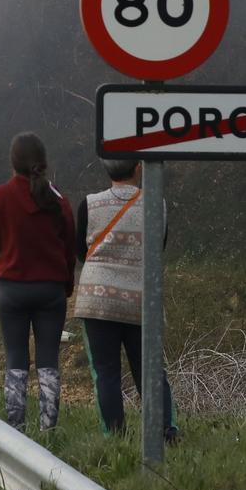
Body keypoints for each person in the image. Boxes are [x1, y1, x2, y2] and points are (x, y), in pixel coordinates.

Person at [0, 131, 76, 433]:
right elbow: (69, 247)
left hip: (13, 290)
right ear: (43, 162)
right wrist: (67, 284)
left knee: (16, 358)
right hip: (50, 291)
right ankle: (48, 431)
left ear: (13, 162)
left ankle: (16, 430)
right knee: (48, 361)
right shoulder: (58, 200)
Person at [72, 157, 176, 442]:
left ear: (107, 170)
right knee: (151, 370)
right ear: (138, 168)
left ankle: (115, 437)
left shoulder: (89, 204)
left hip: (97, 301)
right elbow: (158, 248)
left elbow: (81, 251)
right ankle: (164, 432)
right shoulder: (158, 204)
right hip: (142, 301)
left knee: (105, 374)